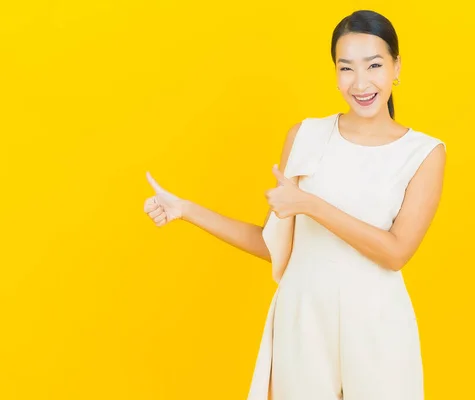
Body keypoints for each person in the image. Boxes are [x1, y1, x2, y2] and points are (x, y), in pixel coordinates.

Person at [143, 9, 446, 400]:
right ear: (335, 73)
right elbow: (274, 246)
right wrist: (186, 209)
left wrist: (311, 205)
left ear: (396, 66)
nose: (361, 82)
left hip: (378, 324)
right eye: (346, 68)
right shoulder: (305, 135)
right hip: (302, 319)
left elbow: (395, 253)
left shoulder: (423, 152)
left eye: (373, 65)